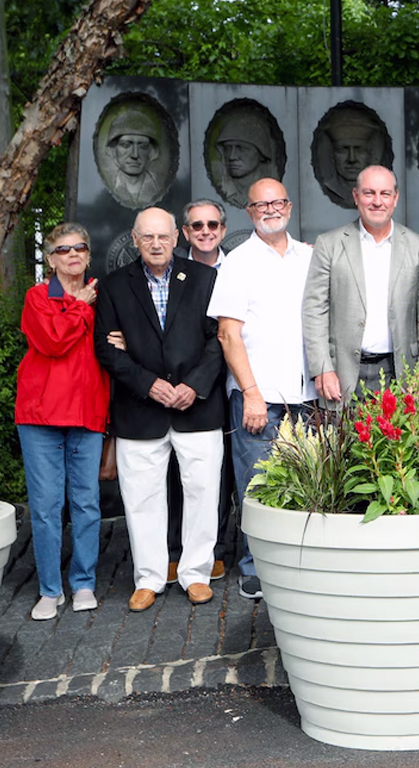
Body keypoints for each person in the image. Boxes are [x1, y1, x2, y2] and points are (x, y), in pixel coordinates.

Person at [94, 208, 225, 612]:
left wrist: (194, 385)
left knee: (204, 492)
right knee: (142, 497)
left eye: (163, 237)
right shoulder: (115, 286)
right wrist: (148, 384)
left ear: (176, 238)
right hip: (140, 410)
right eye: (147, 237)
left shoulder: (205, 279)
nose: (155, 244)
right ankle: (149, 577)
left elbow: (219, 339)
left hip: (196, 406)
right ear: (134, 239)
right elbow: (105, 349)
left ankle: (196, 574)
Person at [207, 178, 317, 600]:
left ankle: (298, 561)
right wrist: (251, 393)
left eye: (277, 202)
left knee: (306, 480)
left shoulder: (309, 257)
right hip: (259, 398)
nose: (270, 209)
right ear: (249, 212)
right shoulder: (238, 262)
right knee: (256, 484)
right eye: (261, 205)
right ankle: (255, 567)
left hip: (306, 397)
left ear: (288, 206)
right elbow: (228, 335)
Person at [16, 223, 109, 620]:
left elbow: (117, 343)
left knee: (86, 502)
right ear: (51, 259)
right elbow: (52, 342)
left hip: (87, 410)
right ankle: (50, 590)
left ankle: (84, 583)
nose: (72, 255)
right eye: (62, 249)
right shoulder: (38, 297)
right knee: (46, 505)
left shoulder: (104, 296)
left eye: (80, 248)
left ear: (88, 255)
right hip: (40, 416)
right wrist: (80, 307)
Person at [303, 166, 419, 402]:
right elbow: (314, 311)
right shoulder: (329, 244)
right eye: (369, 193)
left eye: (385, 194)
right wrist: (323, 368)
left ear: (395, 198)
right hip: (342, 374)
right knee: (341, 439)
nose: (377, 202)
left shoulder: (418, 247)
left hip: (401, 374)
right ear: (356, 197)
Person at [163, 199, 235, 583]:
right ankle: (176, 549)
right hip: (186, 388)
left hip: (232, 383)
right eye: (196, 225)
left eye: (212, 225)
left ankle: (215, 550)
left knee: (219, 476)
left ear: (223, 229)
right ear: (185, 232)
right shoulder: (170, 272)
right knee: (179, 474)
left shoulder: (239, 268)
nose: (205, 231)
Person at [105, 111, 162, 208]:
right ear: (112, 150)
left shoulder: (156, 190)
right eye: (126, 145)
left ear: (153, 152)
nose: (135, 155)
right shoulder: (109, 191)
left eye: (143, 146)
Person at [216, 119, 277, 208]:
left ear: (261, 153)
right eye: (227, 148)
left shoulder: (274, 191)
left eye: (241, 148)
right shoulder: (223, 189)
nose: (232, 156)